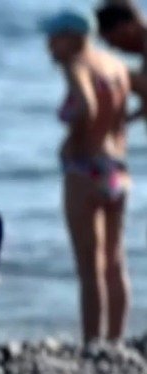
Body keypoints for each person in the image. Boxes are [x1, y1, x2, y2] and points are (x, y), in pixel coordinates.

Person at [44, 10, 133, 346]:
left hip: (85, 170)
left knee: (89, 266)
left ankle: (92, 343)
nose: (48, 46)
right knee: (115, 262)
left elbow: (85, 106)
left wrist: (72, 143)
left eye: (53, 37)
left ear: (71, 38)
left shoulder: (77, 64)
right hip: (116, 169)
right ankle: (116, 340)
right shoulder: (114, 65)